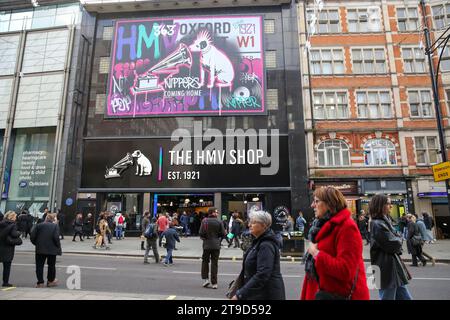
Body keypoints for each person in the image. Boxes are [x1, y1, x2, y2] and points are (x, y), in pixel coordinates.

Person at [301, 187, 369, 300]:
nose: (313, 205)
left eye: (317, 201)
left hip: (340, 295)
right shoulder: (322, 226)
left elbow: (345, 270)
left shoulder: (347, 227)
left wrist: (316, 254)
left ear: (329, 204)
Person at [231, 210, 285, 300]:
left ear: (263, 225)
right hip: (258, 294)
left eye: (253, 222)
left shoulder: (266, 245)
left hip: (266, 295)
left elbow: (262, 274)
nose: (249, 225)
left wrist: (240, 294)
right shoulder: (258, 241)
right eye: (250, 222)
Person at [369, 194, 413, 300]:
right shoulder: (377, 224)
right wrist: (399, 238)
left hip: (393, 268)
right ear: (380, 206)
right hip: (386, 269)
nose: (391, 206)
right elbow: (393, 245)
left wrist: (397, 238)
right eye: (388, 203)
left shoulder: (384, 221)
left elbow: (395, 241)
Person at [30, 213, 62, 288]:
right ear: (53, 219)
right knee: (51, 265)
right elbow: (56, 237)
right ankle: (50, 281)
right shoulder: (55, 226)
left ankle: (40, 282)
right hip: (52, 249)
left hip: (40, 249)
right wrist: (58, 246)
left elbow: (32, 236)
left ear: (46, 218)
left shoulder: (38, 225)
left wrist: (37, 244)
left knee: (39, 266)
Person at [199, 208, 226, 289]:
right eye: (216, 212)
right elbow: (223, 234)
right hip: (216, 245)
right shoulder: (219, 221)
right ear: (212, 213)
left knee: (205, 262)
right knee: (214, 264)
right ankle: (214, 283)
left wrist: (205, 238)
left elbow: (201, 233)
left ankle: (206, 280)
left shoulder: (204, 221)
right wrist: (218, 239)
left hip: (206, 245)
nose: (217, 213)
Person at [0, 211, 22, 287]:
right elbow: (14, 234)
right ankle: (5, 282)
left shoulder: (1, 223)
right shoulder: (13, 225)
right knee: (7, 266)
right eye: (15, 217)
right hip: (7, 248)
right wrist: (19, 233)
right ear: (12, 217)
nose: (16, 218)